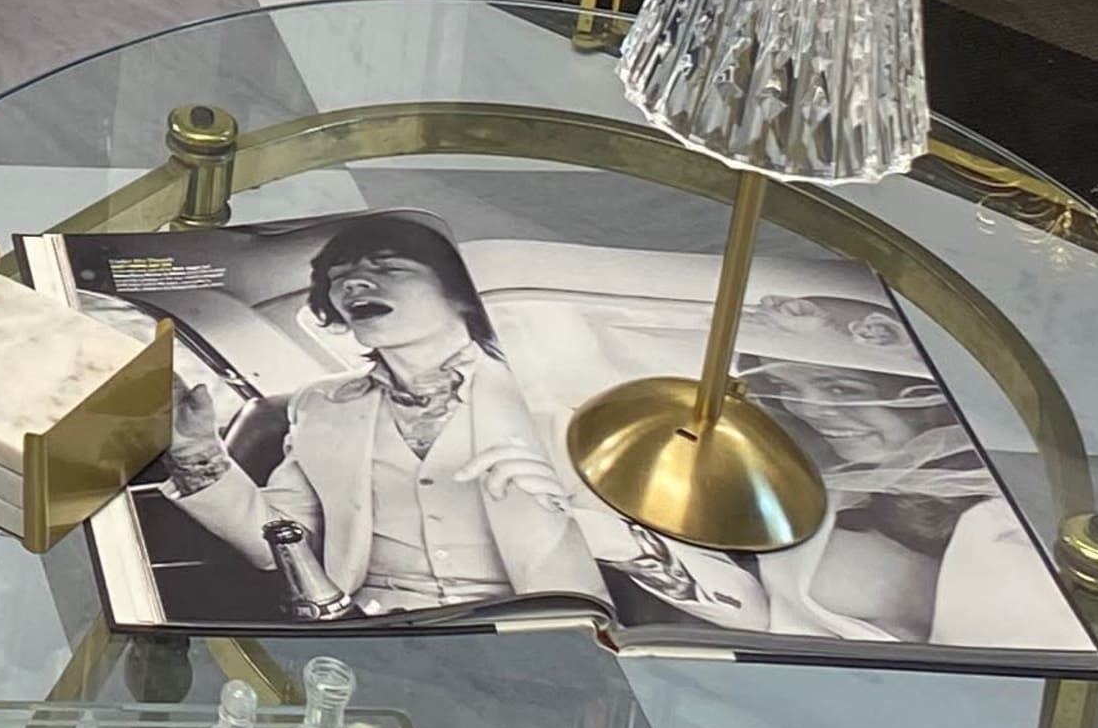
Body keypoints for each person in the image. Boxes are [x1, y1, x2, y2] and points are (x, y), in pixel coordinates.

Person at [156, 218, 760, 629]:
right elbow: (275, 544)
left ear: (464, 296)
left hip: (531, 651)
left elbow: (742, 605)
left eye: (387, 267)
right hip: (368, 635)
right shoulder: (319, 408)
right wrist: (198, 455)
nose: (354, 283)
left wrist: (600, 534)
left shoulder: (565, 406)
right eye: (339, 278)